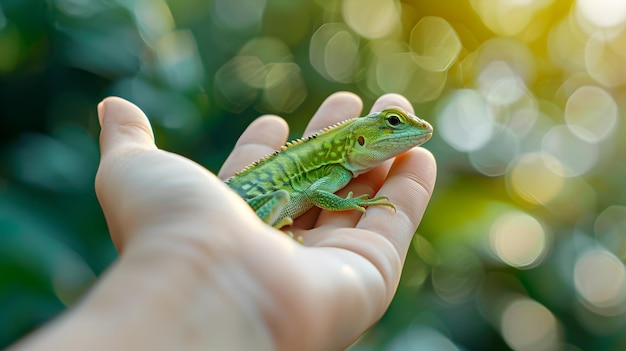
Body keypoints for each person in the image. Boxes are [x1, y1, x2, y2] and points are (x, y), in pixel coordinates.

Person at [8, 92, 436, 350]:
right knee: (288, 193)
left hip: (237, 212)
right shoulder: (338, 172)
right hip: (248, 207)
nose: (406, 132)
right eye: (394, 125)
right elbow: (308, 194)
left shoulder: (343, 167)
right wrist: (356, 206)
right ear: (359, 138)